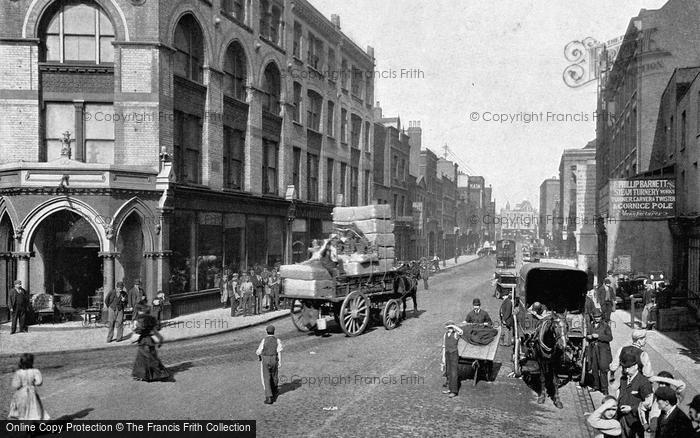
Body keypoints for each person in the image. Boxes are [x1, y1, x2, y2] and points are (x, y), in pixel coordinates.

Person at [617, 350, 653, 438]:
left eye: (628, 367)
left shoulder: (643, 382)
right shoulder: (623, 379)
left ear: (636, 366)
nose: (626, 370)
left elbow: (649, 404)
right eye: (624, 367)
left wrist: (631, 408)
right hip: (622, 418)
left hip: (635, 422)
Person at [639, 371, 686, 437]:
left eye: (666, 384)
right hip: (653, 434)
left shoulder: (675, 397)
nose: (663, 386)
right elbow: (641, 407)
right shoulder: (652, 397)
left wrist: (660, 379)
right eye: (661, 383)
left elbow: (682, 385)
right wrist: (645, 424)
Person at [132, 310, 172, 382]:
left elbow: (137, 331)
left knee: (144, 359)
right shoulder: (150, 323)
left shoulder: (141, 323)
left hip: (143, 342)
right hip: (149, 342)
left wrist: (135, 331)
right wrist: (160, 341)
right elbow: (158, 335)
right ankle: (154, 375)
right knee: (150, 359)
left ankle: (144, 375)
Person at [8, 353, 50, 420]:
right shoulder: (35, 371)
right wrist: (33, 382)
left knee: (22, 412)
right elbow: (39, 382)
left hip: (21, 394)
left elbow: (15, 385)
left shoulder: (18, 372)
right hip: (32, 392)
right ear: (31, 362)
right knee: (34, 411)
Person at [586, 308, 613, 395]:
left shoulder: (605, 326)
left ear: (601, 317)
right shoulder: (591, 325)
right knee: (594, 368)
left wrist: (598, 336)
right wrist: (589, 337)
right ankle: (596, 386)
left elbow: (610, 338)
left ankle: (605, 389)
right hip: (593, 349)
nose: (597, 318)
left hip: (603, 350)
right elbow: (587, 334)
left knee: (603, 369)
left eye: (598, 317)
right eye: (595, 317)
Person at [256, 324, 283, 404]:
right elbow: (279, 351)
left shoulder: (264, 340)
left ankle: (269, 397)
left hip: (265, 359)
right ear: (274, 332)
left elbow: (259, 351)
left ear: (266, 332)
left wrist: (259, 355)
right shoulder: (277, 340)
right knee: (274, 375)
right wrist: (280, 361)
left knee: (266, 377)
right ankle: (274, 389)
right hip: (274, 359)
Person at [441, 320, 463, 398]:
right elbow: (444, 346)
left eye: (451, 327)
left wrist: (454, 326)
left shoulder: (456, 334)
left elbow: (461, 332)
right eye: (448, 327)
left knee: (454, 372)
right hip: (447, 353)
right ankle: (450, 389)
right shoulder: (445, 334)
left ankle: (454, 391)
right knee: (448, 371)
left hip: (454, 354)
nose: (450, 329)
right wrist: (443, 358)